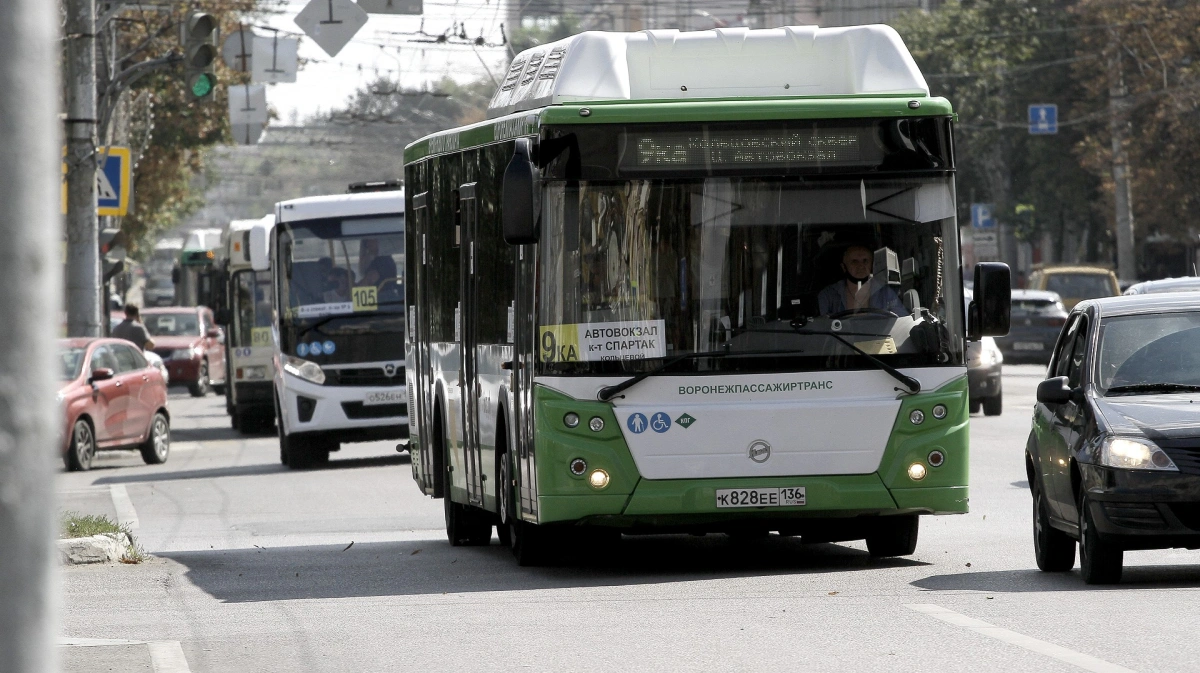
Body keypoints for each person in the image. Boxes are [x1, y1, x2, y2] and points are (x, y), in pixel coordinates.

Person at [817, 245, 905, 316]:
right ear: (844, 267)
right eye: (854, 261)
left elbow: (902, 319)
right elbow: (820, 326)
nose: (861, 266)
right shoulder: (828, 295)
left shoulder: (885, 292)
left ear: (872, 265)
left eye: (865, 261)